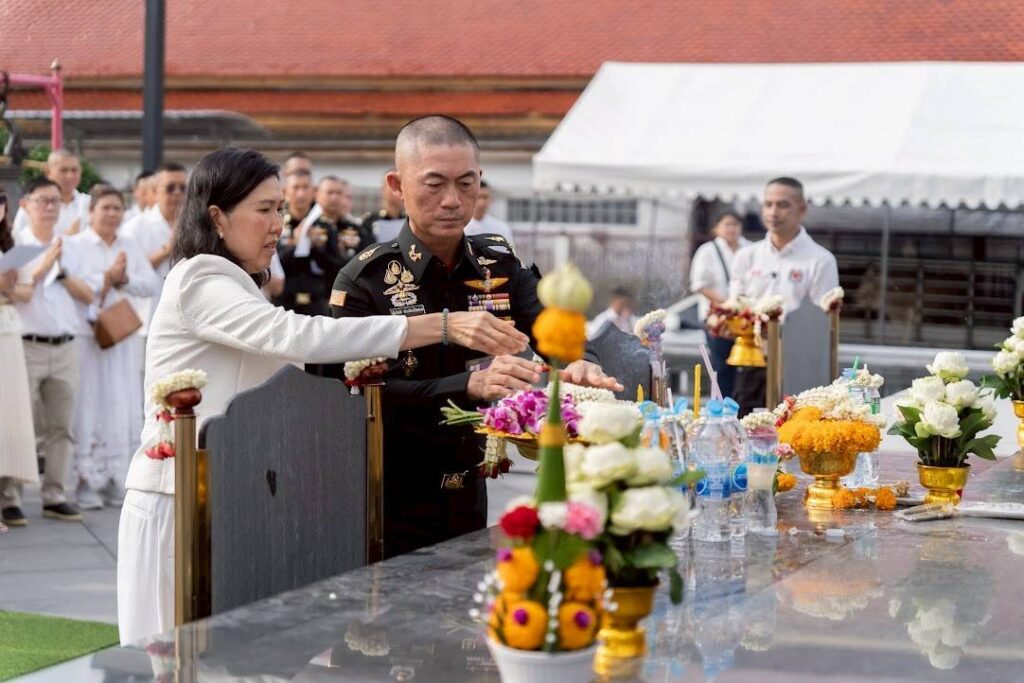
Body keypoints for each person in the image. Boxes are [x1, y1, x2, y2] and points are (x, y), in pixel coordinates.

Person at [116, 147, 527, 646]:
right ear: (217, 217)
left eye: (280, 210)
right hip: (178, 498)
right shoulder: (200, 277)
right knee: (171, 656)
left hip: (232, 492)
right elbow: (299, 338)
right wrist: (441, 325)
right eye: (264, 210)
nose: (278, 226)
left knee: (229, 658)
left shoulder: (236, 283)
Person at [331, 115, 621, 559]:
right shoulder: (365, 280)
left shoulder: (498, 264)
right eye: (434, 184)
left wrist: (580, 361)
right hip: (390, 486)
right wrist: (467, 386)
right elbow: (356, 397)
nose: (452, 200)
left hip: (472, 477)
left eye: (467, 184)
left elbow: (553, 327)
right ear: (397, 185)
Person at [6, 178, 96, 523]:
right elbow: (15, 291)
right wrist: (42, 268)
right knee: (19, 425)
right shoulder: (14, 245)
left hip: (65, 345)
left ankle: (55, 494)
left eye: (55, 201)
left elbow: (89, 294)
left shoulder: (72, 246)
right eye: (42, 200)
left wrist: (62, 273)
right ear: (25, 204)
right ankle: (10, 497)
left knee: (62, 426)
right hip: (26, 345)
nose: (49, 207)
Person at [66, 186, 161, 510]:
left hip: (119, 335)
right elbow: (70, 285)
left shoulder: (128, 244)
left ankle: (114, 476)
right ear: (91, 211)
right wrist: (104, 279)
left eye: (117, 208)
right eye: (105, 207)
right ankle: (84, 478)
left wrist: (123, 280)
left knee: (120, 403)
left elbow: (151, 284)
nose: (111, 214)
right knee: (89, 404)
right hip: (87, 336)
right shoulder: (76, 245)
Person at [728, 177, 839, 415]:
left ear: (802, 209)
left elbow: (821, 323)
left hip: (799, 364)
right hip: (753, 361)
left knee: (794, 431)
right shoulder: (746, 256)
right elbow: (735, 307)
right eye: (768, 204)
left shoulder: (821, 260)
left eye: (783, 205)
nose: (773, 212)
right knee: (748, 428)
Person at [0, 187, 39, 530]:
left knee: (11, 414)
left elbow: (27, 290)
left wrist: (9, 287)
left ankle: (9, 497)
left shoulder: (11, 246)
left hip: (8, 331)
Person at [120, 161, 188, 335]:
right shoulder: (135, 227)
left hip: (184, 322)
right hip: (145, 320)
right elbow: (128, 274)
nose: (177, 193)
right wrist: (167, 250)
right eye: (170, 188)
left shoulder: (195, 226)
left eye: (183, 188)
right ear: (155, 192)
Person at [689, 210, 750, 399]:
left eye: (735, 224)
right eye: (727, 225)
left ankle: (744, 406)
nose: (732, 229)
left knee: (746, 366)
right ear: (716, 229)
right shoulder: (707, 251)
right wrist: (727, 304)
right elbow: (699, 285)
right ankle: (723, 405)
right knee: (722, 365)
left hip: (745, 318)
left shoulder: (750, 248)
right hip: (718, 317)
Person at [276, 174, 343, 318]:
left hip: (317, 303)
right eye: (296, 188)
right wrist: (295, 245)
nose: (301, 193)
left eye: (305, 188)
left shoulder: (325, 226)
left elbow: (337, 268)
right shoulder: (277, 223)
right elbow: (273, 264)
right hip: (284, 302)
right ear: (286, 192)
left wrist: (315, 248)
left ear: (313, 192)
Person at [13, 149, 91, 237]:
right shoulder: (33, 204)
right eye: (63, 170)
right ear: (48, 172)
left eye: (74, 170)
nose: (70, 176)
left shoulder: (90, 204)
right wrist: (66, 239)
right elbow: (17, 239)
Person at [464, 179, 515, 247]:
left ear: (491, 199)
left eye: (485, 197)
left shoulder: (502, 228)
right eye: (478, 197)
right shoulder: (461, 228)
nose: (482, 202)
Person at [361, 169, 406, 243]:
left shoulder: (410, 220)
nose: (398, 189)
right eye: (393, 184)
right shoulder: (370, 221)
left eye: (401, 185)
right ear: (382, 189)